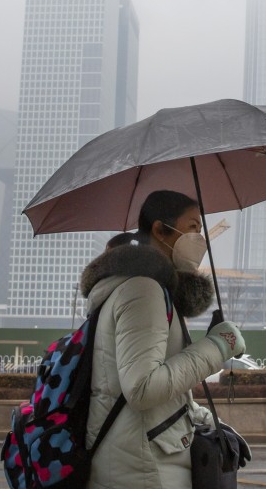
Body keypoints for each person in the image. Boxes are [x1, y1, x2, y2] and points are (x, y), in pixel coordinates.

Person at [79, 190, 246, 489]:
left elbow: (148, 386)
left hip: (138, 459)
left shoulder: (145, 288)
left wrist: (203, 418)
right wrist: (218, 346)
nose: (201, 238)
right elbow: (142, 389)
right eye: (193, 227)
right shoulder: (143, 290)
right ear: (160, 230)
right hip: (142, 469)